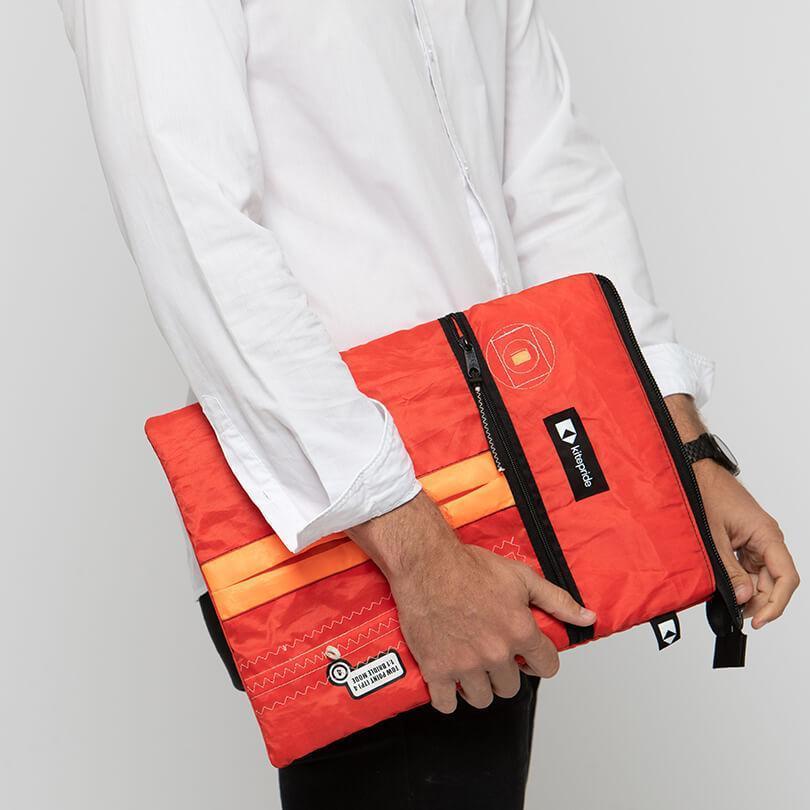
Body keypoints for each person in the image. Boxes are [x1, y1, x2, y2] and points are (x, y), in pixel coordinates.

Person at [58, 2, 799, 808]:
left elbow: (551, 179)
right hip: (360, 542)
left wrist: (681, 451)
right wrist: (416, 551)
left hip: (505, 497)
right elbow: (192, 229)